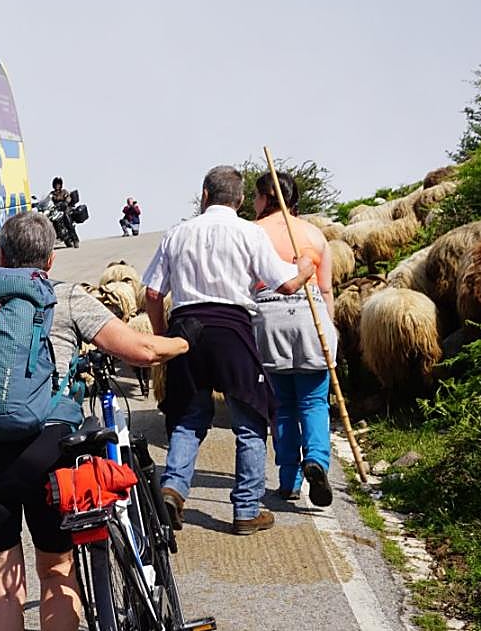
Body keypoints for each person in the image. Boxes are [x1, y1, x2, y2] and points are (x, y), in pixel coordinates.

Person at [0, 211, 189, 631]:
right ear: (49, 260)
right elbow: (140, 350)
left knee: (0, 589)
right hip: (48, 454)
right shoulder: (65, 297)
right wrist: (186, 342)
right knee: (56, 571)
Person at [143, 165, 316, 536]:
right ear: (239, 200)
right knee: (250, 420)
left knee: (188, 417)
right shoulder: (250, 232)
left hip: (186, 330)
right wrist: (304, 267)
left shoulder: (177, 233)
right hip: (233, 329)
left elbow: (153, 293)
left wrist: (162, 336)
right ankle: (246, 510)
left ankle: (173, 489)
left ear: (205, 195)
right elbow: (286, 285)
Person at [251, 172, 337, 506]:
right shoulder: (313, 234)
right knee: (314, 401)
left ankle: (288, 480)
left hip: (268, 318)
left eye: (256, 197)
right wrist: (329, 331)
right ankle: (316, 459)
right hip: (310, 316)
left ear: (266, 197)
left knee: (282, 407)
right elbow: (325, 289)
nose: (253, 203)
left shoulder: (252, 232)